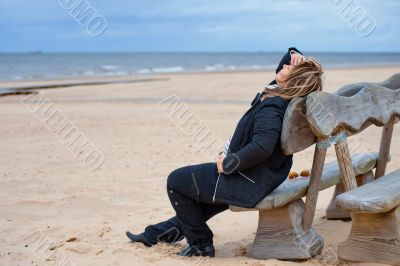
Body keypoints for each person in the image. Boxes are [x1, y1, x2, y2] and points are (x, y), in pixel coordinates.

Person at [126, 47, 324, 257]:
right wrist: (294, 53)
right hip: (262, 177)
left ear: (293, 80)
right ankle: (155, 235)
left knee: (176, 181)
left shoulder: (272, 106)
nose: (284, 65)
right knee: (201, 202)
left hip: (246, 179)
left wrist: (229, 163)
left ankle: (201, 245)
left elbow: (262, 147)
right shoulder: (282, 96)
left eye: (289, 66)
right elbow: (282, 72)